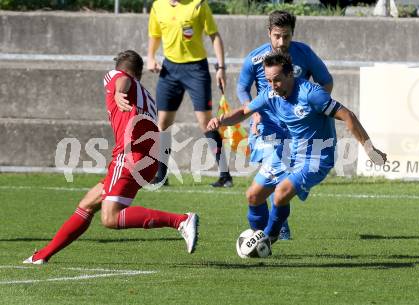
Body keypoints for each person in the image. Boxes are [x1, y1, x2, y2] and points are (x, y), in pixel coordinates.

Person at [23, 50, 199, 265]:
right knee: (87, 204)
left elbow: (122, 79)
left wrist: (117, 93)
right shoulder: (146, 96)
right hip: (147, 159)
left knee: (110, 217)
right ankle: (42, 256)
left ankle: (181, 220)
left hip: (130, 156)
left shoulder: (117, 76)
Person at [207, 51, 387, 252]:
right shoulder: (269, 93)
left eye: (277, 80)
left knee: (280, 194)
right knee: (253, 196)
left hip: (317, 157)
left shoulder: (311, 94)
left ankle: (269, 237)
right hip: (288, 152)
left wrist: (369, 148)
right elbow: (243, 112)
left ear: (290, 74)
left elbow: (348, 116)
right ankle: (259, 246)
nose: (273, 86)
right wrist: (221, 120)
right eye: (268, 81)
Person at [236, 10, 334, 240]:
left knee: (280, 179)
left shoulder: (304, 53)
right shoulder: (255, 59)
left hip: (296, 132)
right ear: (269, 33)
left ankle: (273, 229)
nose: (282, 42)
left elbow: (326, 81)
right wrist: (252, 109)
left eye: (286, 36)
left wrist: (313, 110)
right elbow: (242, 87)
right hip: (267, 127)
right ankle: (270, 230)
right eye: (277, 36)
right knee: (271, 177)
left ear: (293, 34)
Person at [146, 0, 232, 187]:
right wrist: (151, 57)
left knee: (205, 122)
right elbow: (154, 34)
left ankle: (225, 176)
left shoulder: (198, 4)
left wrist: (221, 67)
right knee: (163, 123)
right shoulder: (158, 5)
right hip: (169, 70)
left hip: (196, 69)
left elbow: (214, 35)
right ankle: (161, 176)